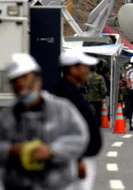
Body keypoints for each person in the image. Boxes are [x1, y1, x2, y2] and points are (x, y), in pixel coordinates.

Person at [0, 53, 89, 190]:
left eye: (24, 78)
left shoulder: (61, 109)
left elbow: (78, 137)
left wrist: (52, 151)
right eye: (15, 80)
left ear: (38, 80)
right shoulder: (7, 116)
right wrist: (10, 150)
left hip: (58, 185)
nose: (20, 84)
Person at [56, 49, 103, 189]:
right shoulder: (66, 94)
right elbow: (65, 129)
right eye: (84, 67)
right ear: (72, 68)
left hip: (80, 156)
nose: (87, 70)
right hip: (74, 158)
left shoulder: (71, 90)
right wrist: (78, 159)